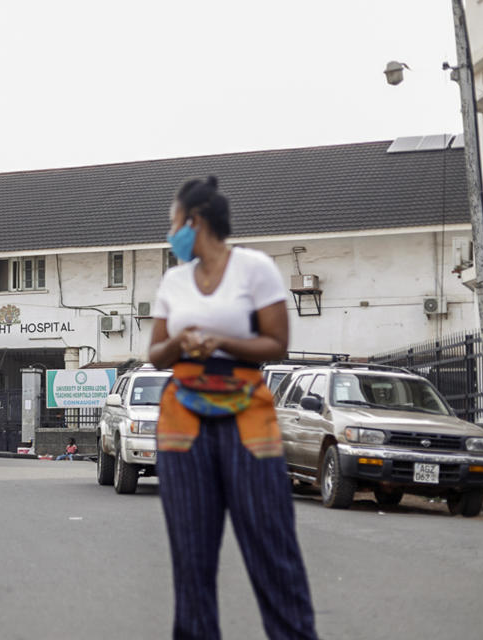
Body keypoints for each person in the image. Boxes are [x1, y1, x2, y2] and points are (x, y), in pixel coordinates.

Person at [148, 176, 317, 640]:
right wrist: (182, 340)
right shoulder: (173, 280)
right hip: (181, 416)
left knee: (271, 546)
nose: (171, 234)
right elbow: (155, 353)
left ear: (194, 221)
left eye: (173, 224)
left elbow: (277, 344)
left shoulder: (254, 268)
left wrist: (219, 339)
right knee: (192, 557)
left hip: (248, 414)